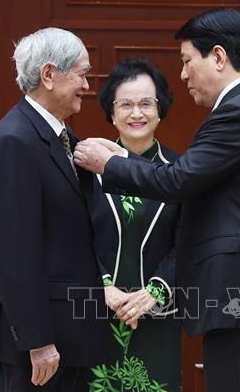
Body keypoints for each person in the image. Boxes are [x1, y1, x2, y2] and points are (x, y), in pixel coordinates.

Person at [74, 8, 240, 392]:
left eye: (186, 61)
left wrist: (109, 164)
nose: (182, 75)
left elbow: (178, 179)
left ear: (217, 56)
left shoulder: (239, 111)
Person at [0, 27, 109, 391]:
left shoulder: (58, 136)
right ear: (49, 75)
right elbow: (13, 253)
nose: (87, 85)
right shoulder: (14, 141)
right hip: (41, 345)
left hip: (68, 336)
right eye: (82, 74)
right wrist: (38, 341)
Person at [90, 57, 181, 389]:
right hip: (95, 316)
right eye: (125, 104)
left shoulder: (180, 171)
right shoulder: (88, 170)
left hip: (156, 319)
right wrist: (102, 286)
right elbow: (74, 238)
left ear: (160, 109)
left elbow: (187, 243)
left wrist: (154, 292)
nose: (136, 113)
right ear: (111, 112)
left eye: (146, 103)